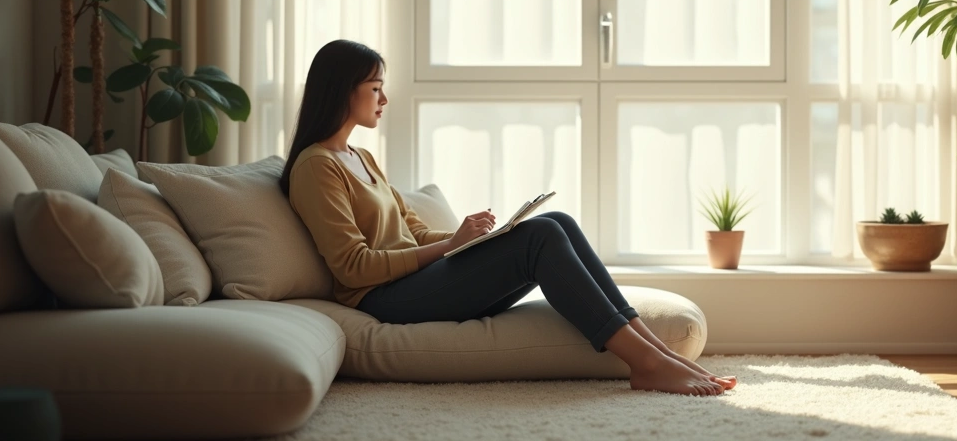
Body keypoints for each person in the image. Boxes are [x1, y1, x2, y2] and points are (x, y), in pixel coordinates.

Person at [280, 40, 736, 396]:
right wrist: (449, 247)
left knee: (555, 222)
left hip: (415, 281)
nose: (385, 98)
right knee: (539, 237)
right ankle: (648, 365)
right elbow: (353, 267)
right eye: (376, 88)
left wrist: (476, 239)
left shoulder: (361, 156)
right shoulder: (317, 167)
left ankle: (657, 353)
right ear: (344, 90)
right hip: (383, 298)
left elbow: (410, 230)